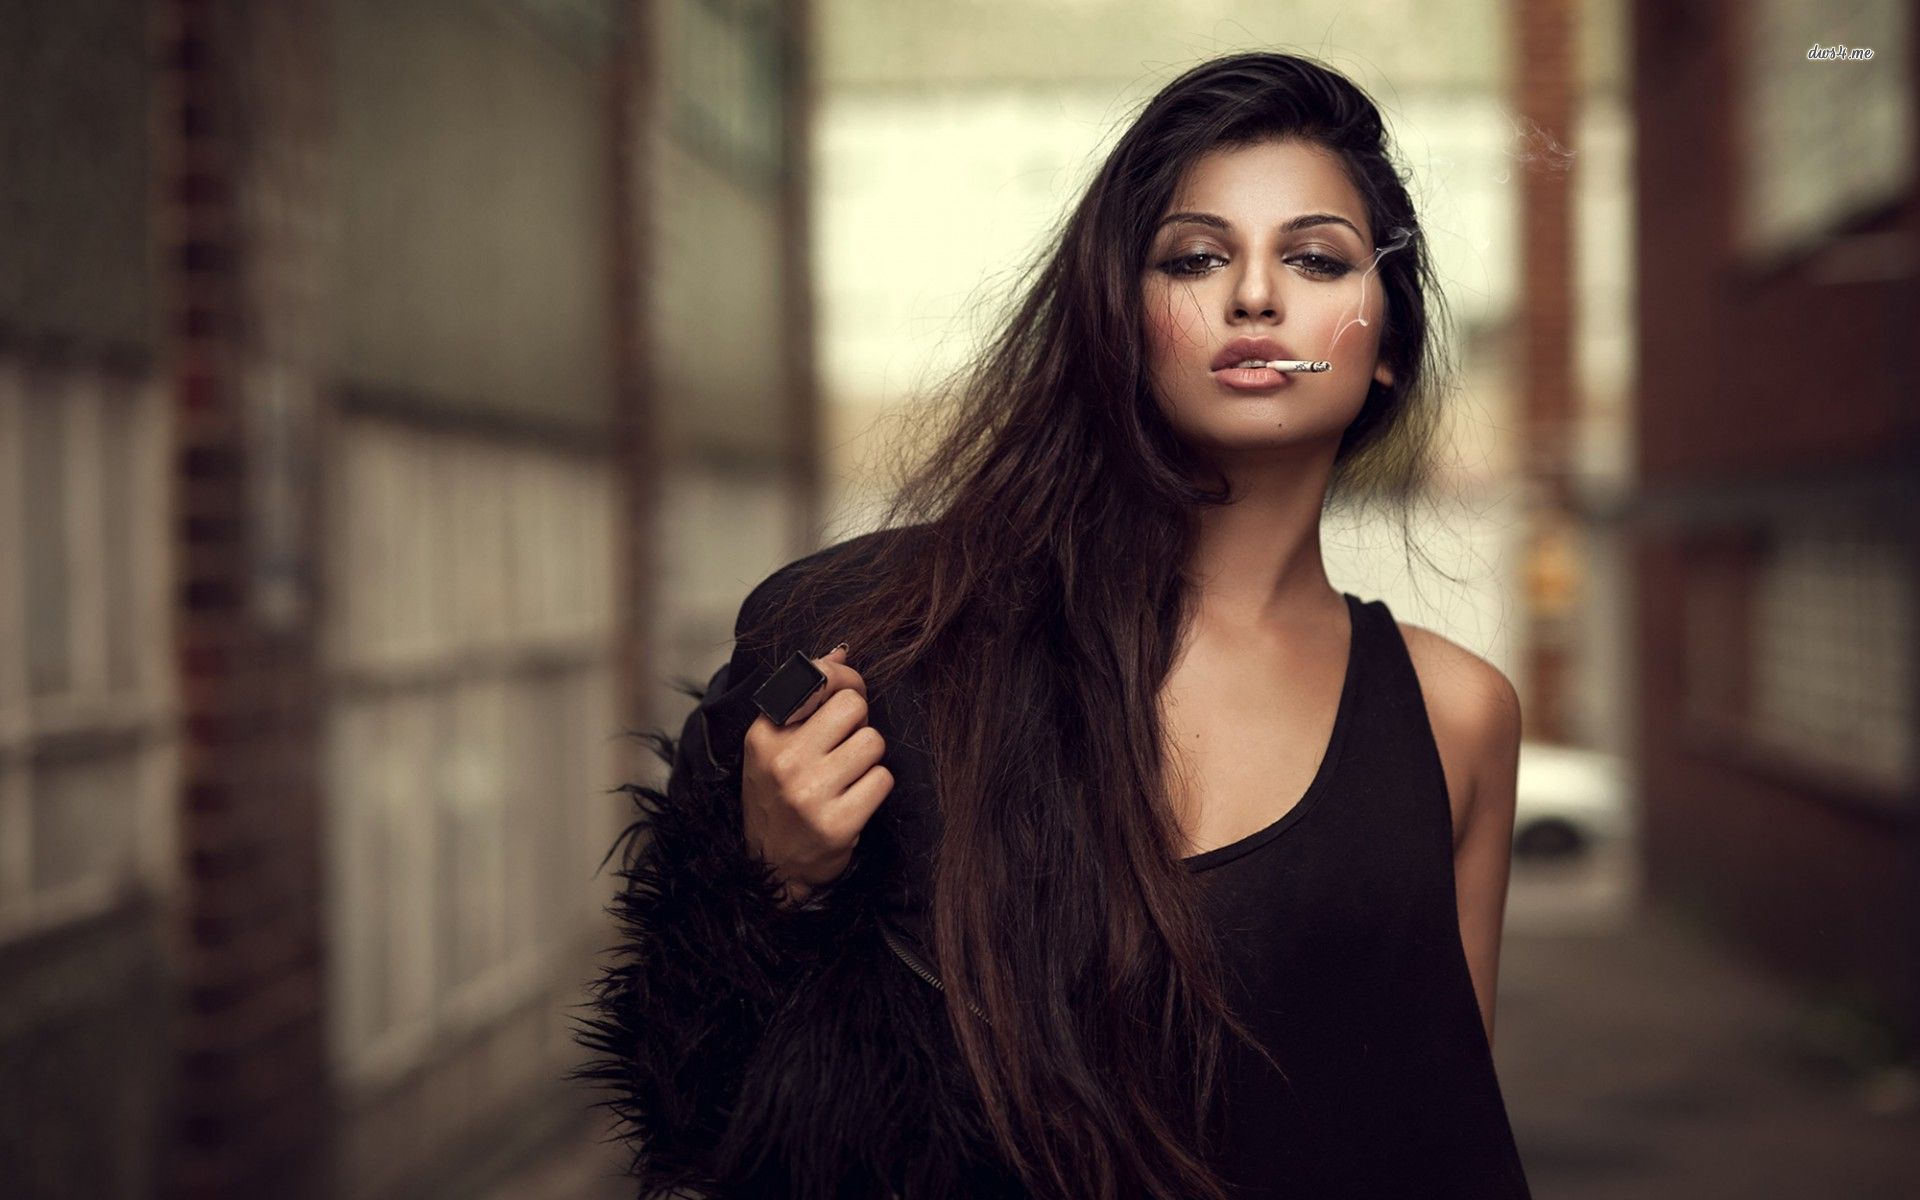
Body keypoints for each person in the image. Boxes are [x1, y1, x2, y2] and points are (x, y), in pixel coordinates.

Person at [574, 50, 1533, 1200]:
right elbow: (701, 1127)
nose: (1256, 297)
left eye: (1316, 258)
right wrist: (767, 884)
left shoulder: (1457, 715)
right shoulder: (892, 640)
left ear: (1385, 351)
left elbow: (1441, 1144)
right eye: (1196, 257)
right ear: (1123, 322)